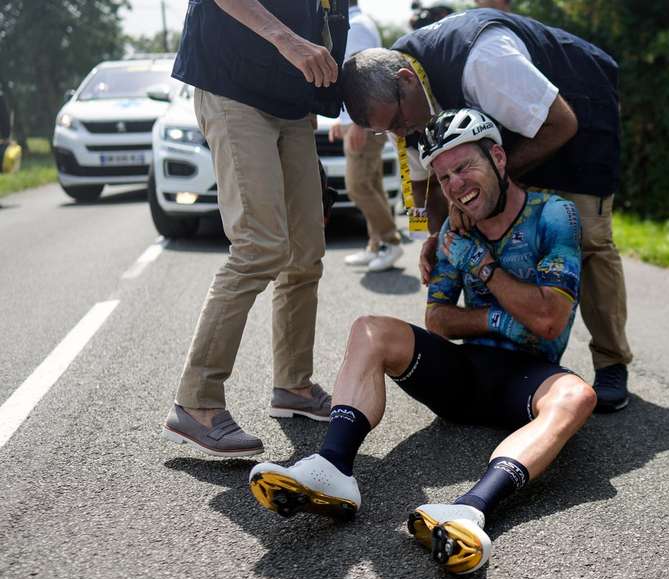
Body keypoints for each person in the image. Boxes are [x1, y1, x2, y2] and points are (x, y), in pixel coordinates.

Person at [249, 109, 596, 575]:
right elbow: (438, 320)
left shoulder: (555, 215)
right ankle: (332, 467)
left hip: (527, 380)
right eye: (444, 176)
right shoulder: (453, 230)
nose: (455, 185)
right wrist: (503, 317)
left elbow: (549, 321)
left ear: (497, 156)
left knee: (577, 396)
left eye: (464, 167)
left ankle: (471, 511)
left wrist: (481, 266)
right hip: (461, 377)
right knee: (370, 328)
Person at [340, 8, 634, 412]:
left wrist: (495, 181)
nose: (398, 133)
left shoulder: (483, 61)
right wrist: (436, 237)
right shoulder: (399, 96)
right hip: (501, 140)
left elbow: (561, 124)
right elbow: (423, 173)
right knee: (486, 221)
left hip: (574, 111)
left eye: (396, 122)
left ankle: (612, 362)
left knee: (590, 236)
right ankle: (518, 347)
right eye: (384, 130)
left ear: (407, 82)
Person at [161, 0, 348, 457]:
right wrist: (287, 39)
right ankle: (196, 402)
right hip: (233, 89)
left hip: (291, 102)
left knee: (306, 254)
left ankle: (293, 386)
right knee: (259, 247)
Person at [330, 0, 404, 272]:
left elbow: (363, 81)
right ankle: (377, 245)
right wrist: (342, 119)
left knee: (358, 185)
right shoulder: (357, 23)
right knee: (372, 183)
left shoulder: (356, 26)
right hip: (359, 119)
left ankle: (389, 241)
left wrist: (358, 123)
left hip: (365, 120)